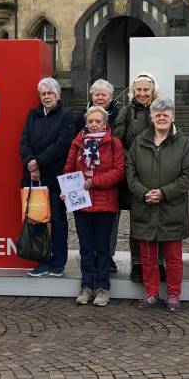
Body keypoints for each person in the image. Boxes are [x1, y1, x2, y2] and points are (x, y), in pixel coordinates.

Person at [126, 97, 189, 312]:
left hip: (171, 210)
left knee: (173, 258)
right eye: (157, 114)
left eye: (166, 114)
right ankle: (151, 293)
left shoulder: (183, 143)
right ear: (151, 117)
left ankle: (174, 294)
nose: (162, 117)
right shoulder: (139, 142)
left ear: (173, 116)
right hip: (145, 208)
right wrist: (144, 192)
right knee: (148, 257)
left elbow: (188, 175)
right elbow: (130, 172)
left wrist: (164, 193)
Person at [62, 105, 125, 307]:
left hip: (105, 204)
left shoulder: (114, 143)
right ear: (86, 123)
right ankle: (86, 285)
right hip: (82, 204)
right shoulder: (78, 143)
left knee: (103, 249)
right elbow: (68, 169)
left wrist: (95, 181)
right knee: (86, 248)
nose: (94, 124)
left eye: (98, 121)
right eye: (90, 121)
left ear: (105, 123)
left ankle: (103, 287)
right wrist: (66, 188)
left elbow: (119, 171)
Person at [19, 77, 75, 278]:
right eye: (43, 94)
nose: (46, 97)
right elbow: (24, 140)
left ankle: (58, 262)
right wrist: (29, 161)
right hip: (33, 178)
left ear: (57, 95)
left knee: (58, 221)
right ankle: (42, 260)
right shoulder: (33, 115)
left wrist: (38, 162)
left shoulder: (66, 117)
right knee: (37, 220)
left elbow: (62, 145)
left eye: (50, 93)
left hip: (55, 177)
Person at [113, 73, 165, 283]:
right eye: (139, 90)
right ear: (134, 92)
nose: (142, 93)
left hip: (159, 174)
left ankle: (158, 263)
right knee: (138, 222)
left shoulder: (160, 110)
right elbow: (117, 141)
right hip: (133, 176)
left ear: (153, 91)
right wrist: (133, 162)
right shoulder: (126, 112)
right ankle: (137, 263)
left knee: (158, 221)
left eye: (146, 90)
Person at [73, 79, 120, 273]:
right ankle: (90, 260)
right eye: (96, 94)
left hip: (108, 179)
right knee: (85, 227)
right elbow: (73, 151)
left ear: (110, 97)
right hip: (83, 182)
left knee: (109, 224)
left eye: (104, 94)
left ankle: (107, 257)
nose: (100, 97)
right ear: (91, 96)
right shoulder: (80, 119)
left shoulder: (119, 115)